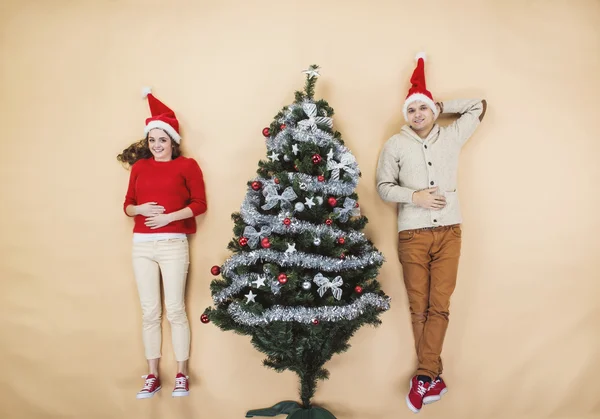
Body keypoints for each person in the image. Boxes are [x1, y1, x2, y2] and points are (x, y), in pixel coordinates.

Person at [376, 53, 487, 413]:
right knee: (417, 306)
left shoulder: (452, 135)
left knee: (440, 305)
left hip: (450, 232)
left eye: (424, 108)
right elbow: (382, 186)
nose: (418, 115)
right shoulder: (395, 144)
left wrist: (441, 104)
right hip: (412, 234)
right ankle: (431, 377)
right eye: (412, 110)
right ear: (406, 115)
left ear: (433, 110)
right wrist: (415, 196)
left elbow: (478, 106)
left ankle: (424, 376)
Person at [117, 88, 207, 399]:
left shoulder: (188, 166)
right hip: (142, 245)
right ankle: (152, 375)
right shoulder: (140, 167)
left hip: (172, 243)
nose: (156, 146)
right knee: (149, 312)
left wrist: (168, 218)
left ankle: (181, 374)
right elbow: (127, 204)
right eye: (152, 140)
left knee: (175, 310)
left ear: (173, 142)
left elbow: (199, 204)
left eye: (162, 140)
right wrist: (139, 210)